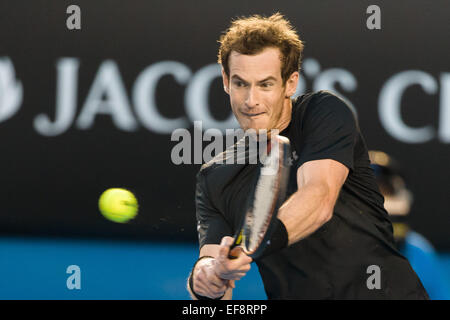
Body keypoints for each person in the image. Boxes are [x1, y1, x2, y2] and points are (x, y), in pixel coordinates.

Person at [187, 13, 429, 299]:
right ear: (226, 81)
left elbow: (318, 197)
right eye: (241, 84)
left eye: (265, 84)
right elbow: (213, 278)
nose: (251, 101)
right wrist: (208, 275)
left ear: (290, 83)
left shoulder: (323, 112)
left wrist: (257, 242)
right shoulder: (215, 176)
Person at [369, 150, 450, 300]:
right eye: (370, 192)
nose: (380, 201)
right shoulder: (332, 251)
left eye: (386, 191)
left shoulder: (418, 250)